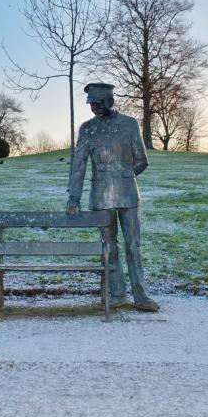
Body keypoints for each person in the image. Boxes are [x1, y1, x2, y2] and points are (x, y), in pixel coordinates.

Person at [65, 82, 159, 312]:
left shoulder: (129, 124)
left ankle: (141, 295)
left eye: (97, 103)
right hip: (100, 196)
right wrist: (73, 197)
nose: (93, 108)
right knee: (109, 247)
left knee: (133, 246)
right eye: (91, 104)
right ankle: (117, 294)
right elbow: (78, 165)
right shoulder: (87, 129)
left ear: (109, 101)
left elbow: (142, 159)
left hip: (128, 194)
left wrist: (124, 176)